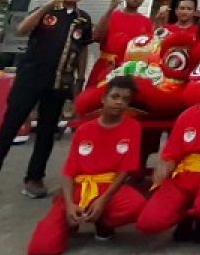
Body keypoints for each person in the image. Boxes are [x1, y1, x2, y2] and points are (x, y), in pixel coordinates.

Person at [0, 0, 93, 206]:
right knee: (8, 128)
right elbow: (22, 30)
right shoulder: (46, 11)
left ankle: (35, 178)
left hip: (59, 82)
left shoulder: (83, 19)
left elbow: (82, 50)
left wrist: (80, 79)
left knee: (46, 132)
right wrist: (50, 4)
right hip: (30, 79)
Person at [26, 75, 145, 255]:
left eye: (125, 99)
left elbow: (125, 170)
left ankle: (103, 223)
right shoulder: (84, 129)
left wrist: (102, 201)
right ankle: (71, 221)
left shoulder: (133, 127)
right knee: (41, 248)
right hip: (79, 189)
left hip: (107, 188)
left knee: (136, 205)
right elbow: (69, 171)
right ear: (104, 98)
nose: (119, 102)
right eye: (115, 97)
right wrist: (69, 203)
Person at [136, 65, 200, 238]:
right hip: (183, 176)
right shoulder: (186, 116)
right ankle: (185, 215)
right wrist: (163, 169)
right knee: (148, 222)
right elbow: (171, 154)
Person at [87, 0, 154, 87]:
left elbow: (149, 48)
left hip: (131, 70)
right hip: (107, 66)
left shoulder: (146, 22)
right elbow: (96, 37)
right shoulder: (112, 15)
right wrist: (110, 9)